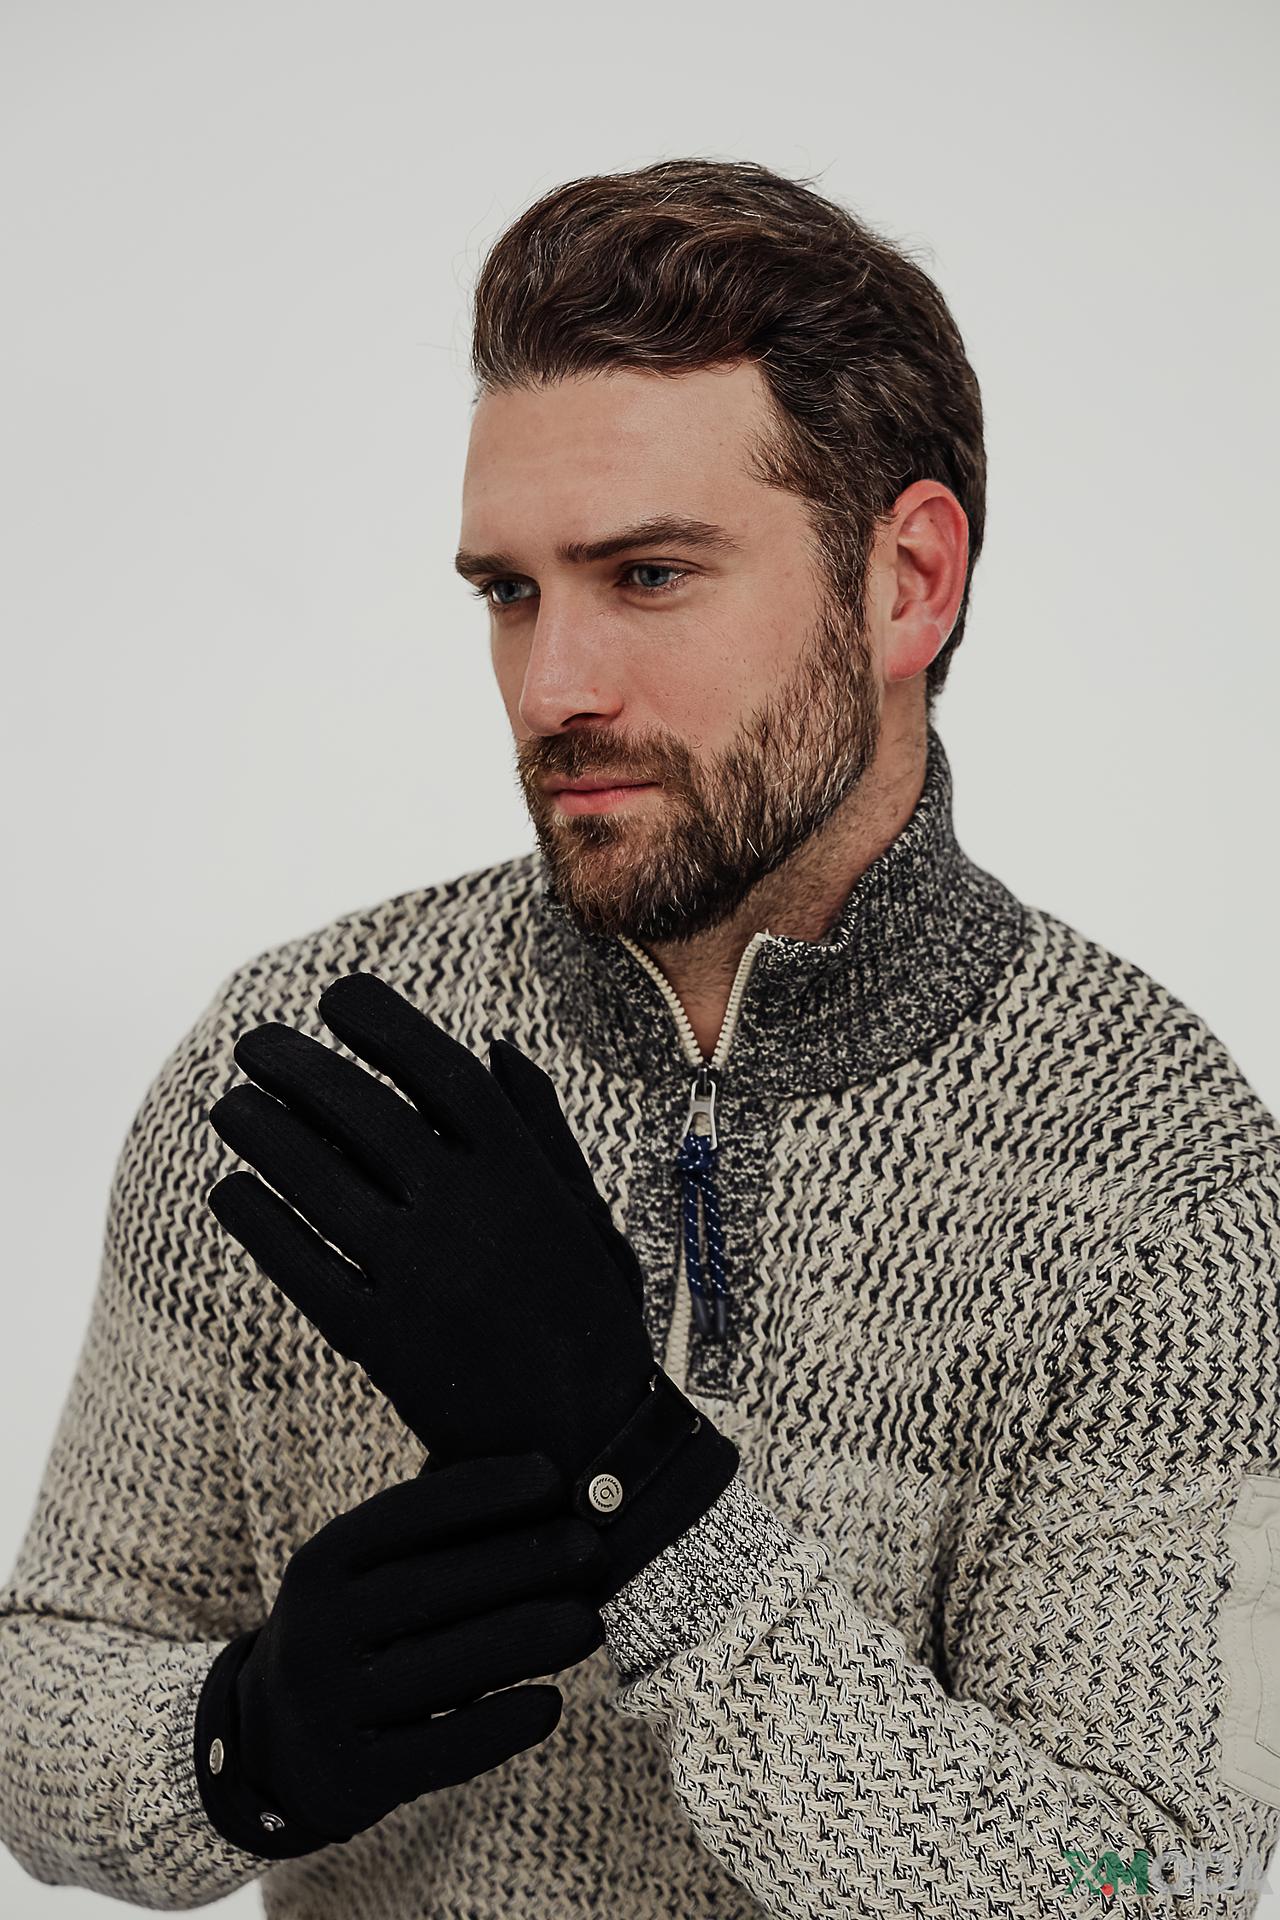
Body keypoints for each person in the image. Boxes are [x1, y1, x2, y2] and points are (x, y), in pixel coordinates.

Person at [2, 156, 1277, 1918]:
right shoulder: (310, 1068)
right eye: (508, 592)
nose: (552, 690)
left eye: (649, 574)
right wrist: (244, 1743)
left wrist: (650, 1495)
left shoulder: (1168, 1185)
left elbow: (1150, 1882)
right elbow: (45, 1685)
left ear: (907, 582)